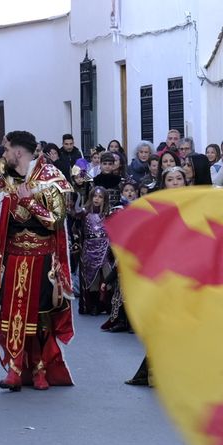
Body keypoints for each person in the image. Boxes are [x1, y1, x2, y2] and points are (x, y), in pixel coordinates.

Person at [0, 131, 76, 392]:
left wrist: (30, 202)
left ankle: (39, 368)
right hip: (13, 257)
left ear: (17, 152)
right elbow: (3, 218)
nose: (2, 155)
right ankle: (16, 370)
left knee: (39, 316)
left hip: (41, 259)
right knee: (11, 314)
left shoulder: (50, 177)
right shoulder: (6, 180)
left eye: (5, 150)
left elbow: (57, 220)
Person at [124, 166, 191, 387]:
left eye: (178, 178)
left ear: (185, 181)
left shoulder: (195, 204)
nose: (175, 182)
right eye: (170, 179)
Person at [77, 187, 115, 315]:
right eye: (95, 196)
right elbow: (76, 226)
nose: (97, 199)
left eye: (100, 197)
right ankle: (93, 305)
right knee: (92, 277)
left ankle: (108, 303)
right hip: (89, 248)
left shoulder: (108, 214)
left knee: (107, 274)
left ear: (104, 199)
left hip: (104, 247)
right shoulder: (84, 214)